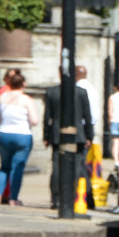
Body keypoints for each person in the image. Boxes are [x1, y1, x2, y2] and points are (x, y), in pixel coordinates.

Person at [44, 69, 95, 209]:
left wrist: (46, 135)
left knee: (56, 166)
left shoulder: (52, 92)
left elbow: (48, 116)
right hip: (77, 135)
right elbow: (87, 117)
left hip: (57, 135)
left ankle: (56, 198)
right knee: (77, 167)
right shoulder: (80, 92)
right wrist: (89, 136)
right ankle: (71, 197)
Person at [0, 71, 38, 205]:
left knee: (4, 166)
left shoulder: (1, 98)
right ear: (24, 84)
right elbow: (34, 120)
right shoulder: (27, 100)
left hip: (4, 133)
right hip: (22, 135)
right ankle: (13, 198)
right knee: (17, 167)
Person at [75, 65, 103, 160]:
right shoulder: (93, 89)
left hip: (80, 127)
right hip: (90, 125)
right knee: (84, 158)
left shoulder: (78, 90)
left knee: (79, 158)